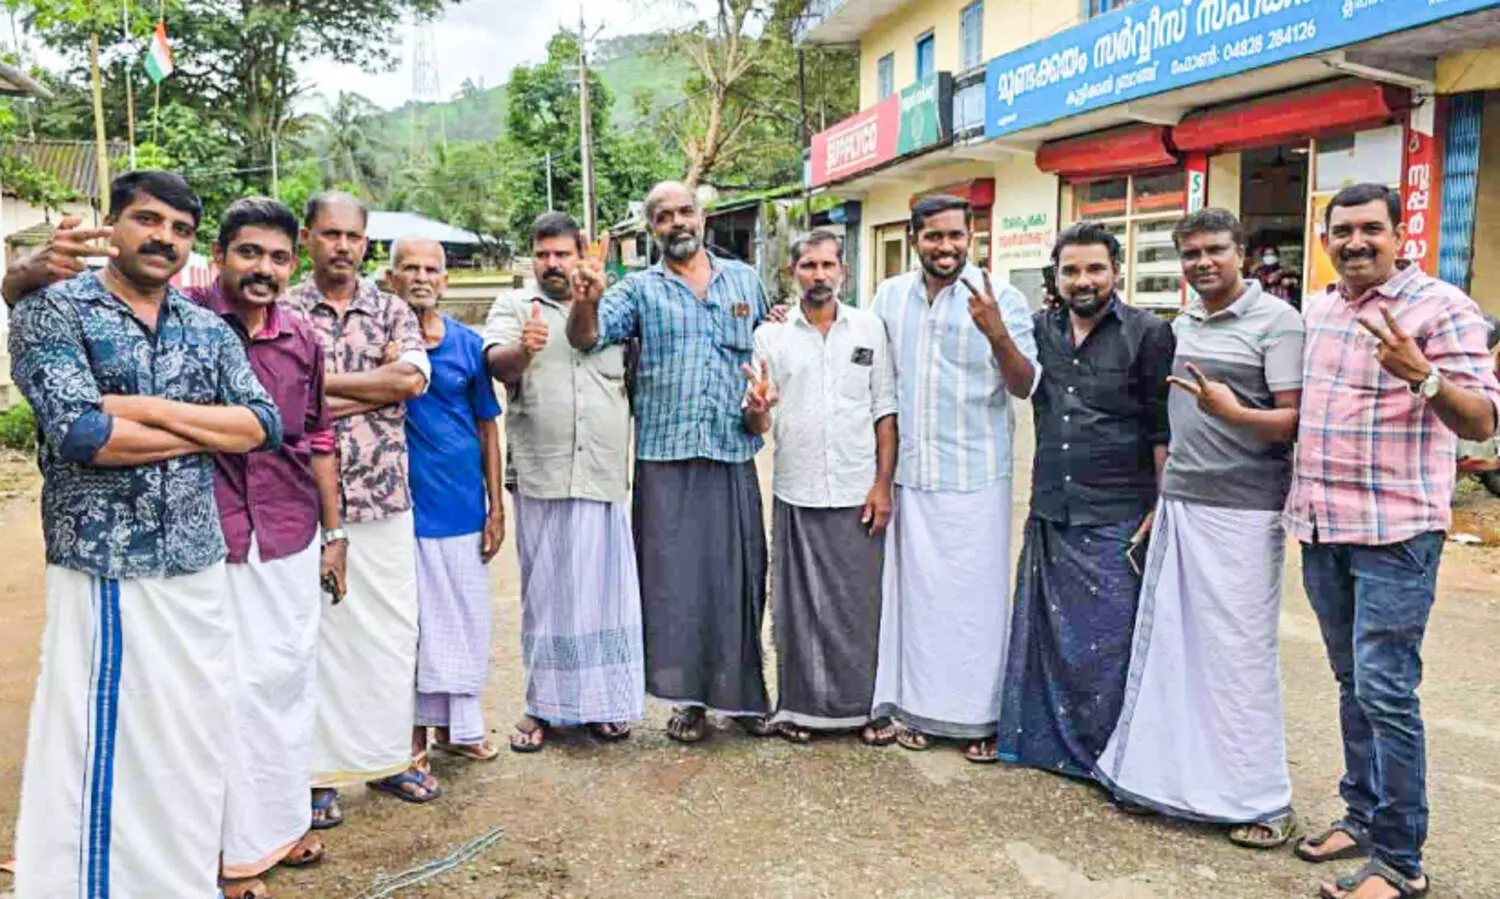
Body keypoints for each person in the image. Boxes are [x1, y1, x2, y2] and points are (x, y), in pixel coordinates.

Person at [7, 171, 282, 898]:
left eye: (181, 229)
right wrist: (200, 429)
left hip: (193, 560)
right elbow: (83, 433)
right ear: (113, 223)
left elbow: (261, 424)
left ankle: (178, 883)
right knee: (103, 744)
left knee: (185, 741)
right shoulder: (53, 312)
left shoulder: (206, 327)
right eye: (148, 220)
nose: (164, 238)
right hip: (105, 563)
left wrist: (146, 409)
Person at [1284, 184, 1500, 899]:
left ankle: (1402, 860)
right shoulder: (1317, 309)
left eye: (1371, 228)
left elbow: (1481, 424)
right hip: (1323, 527)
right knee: (1351, 683)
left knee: (1386, 689)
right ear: (1325, 238)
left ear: (1399, 233)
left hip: (1397, 532)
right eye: (1342, 230)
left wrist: (1426, 376)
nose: (1356, 241)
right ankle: (1362, 815)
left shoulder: (1443, 307)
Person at [1094, 208, 1304, 849]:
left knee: (1238, 656)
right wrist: (1162, 494)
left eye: (1215, 250)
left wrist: (1234, 410)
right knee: (1174, 649)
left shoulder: (1279, 323)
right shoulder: (1178, 325)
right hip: (1182, 503)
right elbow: (1173, 428)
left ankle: (1262, 799)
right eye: (1191, 255)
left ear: (1242, 253)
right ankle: (1170, 782)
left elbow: (1292, 422)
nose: (1203, 263)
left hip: (1244, 511)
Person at [568, 181, 774, 744]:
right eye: (664, 217)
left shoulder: (745, 282)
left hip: (732, 451)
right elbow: (586, 338)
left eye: (685, 212)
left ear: (702, 218)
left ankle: (745, 698)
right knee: (675, 585)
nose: (677, 223)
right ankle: (689, 700)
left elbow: (768, 349)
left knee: (740, 578)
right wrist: (586, 294)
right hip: (665, 454)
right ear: (652, 228)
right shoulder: (636, 290)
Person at [996, 222, 1172, 783]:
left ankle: (1109, 756)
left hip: (1117, 509)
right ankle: (1046, 748)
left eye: (1095, 268)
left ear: (1116, 272)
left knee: (1107, 642)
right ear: (1055, 276)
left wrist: (1159, 507)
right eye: (1071, 270)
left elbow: (1162, 429)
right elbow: (1017, 380)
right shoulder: (1039, 329)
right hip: (1053, 505)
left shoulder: (1147, 333)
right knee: (1048, 636)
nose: (1083, 280)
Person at [869, 194, 1039, 761]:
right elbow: (874, 377)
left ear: (972, 237)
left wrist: (996, 333)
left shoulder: (1001, 297)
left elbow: (1024, 385)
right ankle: (919, 712)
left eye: (956, 237)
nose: (946, 247)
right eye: (934, 236)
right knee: (920, 602)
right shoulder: (890, 297)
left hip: (977, 475)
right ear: (915, 237)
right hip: (914, 475)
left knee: (977, 603)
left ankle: (982, 719)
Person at [283, 192, 435, 822]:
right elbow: (274, 395)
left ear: (366, 243)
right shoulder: (284, 307)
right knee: (312, 635)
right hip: (300, 498)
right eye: (329, 234)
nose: (342, 246)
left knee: (390, 635)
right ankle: (316, 775)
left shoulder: (391, 308)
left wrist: (314, 392)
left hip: (383, 496)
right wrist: (366, 390)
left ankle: (386, 760)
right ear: (306, 239)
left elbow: (410, 381)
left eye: (352, 236)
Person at [484, 212, 645, 751]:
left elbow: (625, 369)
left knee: (605, 595)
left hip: (600, 472)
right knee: (548, 593)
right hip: (542, 471)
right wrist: (525, 349)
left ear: (581, 254)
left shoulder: (611, 305)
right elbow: (499, 368)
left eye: (562, 254)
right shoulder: (513, 307)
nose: (552, 264)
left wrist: (588, 298)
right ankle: (542, 707)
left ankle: (603, 705)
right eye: (543, 254)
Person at [743, 230, 898, 746]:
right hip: (798, 486)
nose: (819, 275)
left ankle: (866, 708)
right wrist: (758, 408)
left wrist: (883, 484)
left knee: (861, 604)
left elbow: (884, 411)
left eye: (828, 265)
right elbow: (757, 421)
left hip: (858, 487)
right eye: (808, 265)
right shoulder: (772, 336)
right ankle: (799, 709)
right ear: (793, 273)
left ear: (843, 272)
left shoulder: (870, 328)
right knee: (798, 605)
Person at [389, 235, 506, 764]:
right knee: (413, 627)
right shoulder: (380, 348)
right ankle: (411, 736)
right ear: (391, 278)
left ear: (445, 280)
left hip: (462, 505)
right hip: (402, 509)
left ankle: (458, 728)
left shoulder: (465, 346)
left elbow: (488, 427)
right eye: (409, 268)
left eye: (431, 269)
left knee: (463, 620)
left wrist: (496, 507)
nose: (420, 277)